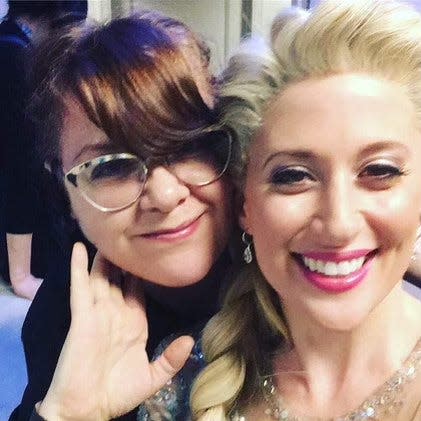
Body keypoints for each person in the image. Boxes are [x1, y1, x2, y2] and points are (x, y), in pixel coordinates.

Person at [190, 0, 421, 419]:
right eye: (293, 176)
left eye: (380, 171)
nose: (338, 224)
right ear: (245, 204)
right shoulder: (180, 380)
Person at [10, 11, 236, 421]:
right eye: (112, 167)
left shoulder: (300, 274)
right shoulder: (63, 322)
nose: (165, 195)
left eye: (191, 144)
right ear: (64, 188)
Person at [0, 0, 87, 300]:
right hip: (21, 237)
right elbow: (19, 168)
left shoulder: (8, 44)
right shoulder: (14, 60)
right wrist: (21, 275)